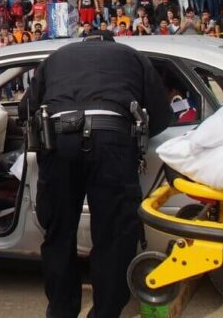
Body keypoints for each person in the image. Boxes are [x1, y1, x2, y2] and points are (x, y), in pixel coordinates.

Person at [19, 31, 172, 318]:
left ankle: (61, 311)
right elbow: (162, 116)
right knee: (113, 236)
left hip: (59, 142)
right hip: (112, 143)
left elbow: (25, 109)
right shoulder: (133, 56)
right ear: (111, 43)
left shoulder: (55, 57)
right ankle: (105, 313)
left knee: (59, 232)